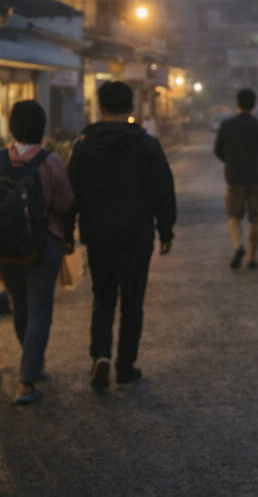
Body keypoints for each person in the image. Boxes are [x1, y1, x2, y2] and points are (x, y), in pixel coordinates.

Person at [64, 82, 177, 391]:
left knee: (102, 298)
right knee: (132, 301)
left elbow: (69, 192)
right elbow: (163, 190)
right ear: (131, 109)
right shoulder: (146, 145)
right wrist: (165, 230)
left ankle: (100, 355)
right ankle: (125, 367)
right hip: (137, 235)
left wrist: (66, 231)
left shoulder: (84, 145)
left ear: (101, 108)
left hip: (98, 234)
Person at [0, 100, 73, 405]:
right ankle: (27, 381)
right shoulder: (50, 161)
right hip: (43, 245)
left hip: (5, 247)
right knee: (40, 310)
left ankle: (33, 365)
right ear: (41, 127)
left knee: (19, 307)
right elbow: (66, 204)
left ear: (12, 127)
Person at [214, 88, 258, 270]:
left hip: (235, 177)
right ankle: (252, 258)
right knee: (256, 219)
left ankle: (238, 246)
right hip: (256, 177)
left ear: (237, 103)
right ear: (254, 105)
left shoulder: (227, 125)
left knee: (234, 215)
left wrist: (229, 161)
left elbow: (218, 150)